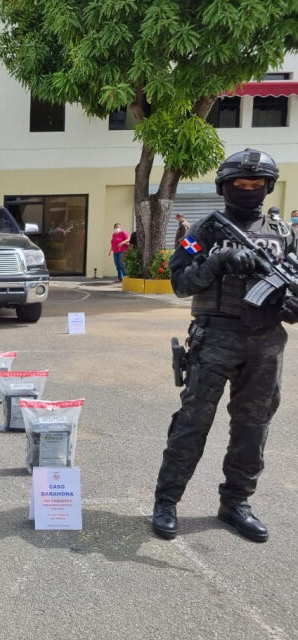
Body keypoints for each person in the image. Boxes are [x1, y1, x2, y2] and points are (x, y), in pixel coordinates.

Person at [151, 148, 298, 543]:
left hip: (266, 342)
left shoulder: (284, 234)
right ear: (224, 187)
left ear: (268, 187)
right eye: (240, 184)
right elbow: (180, 284)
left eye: (256, 185)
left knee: (253, 428)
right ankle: (167, 501)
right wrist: (218, 262)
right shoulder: (205, 232)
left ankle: (236, 502)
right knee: (192, 424)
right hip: (214, 339)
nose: (248, 190)